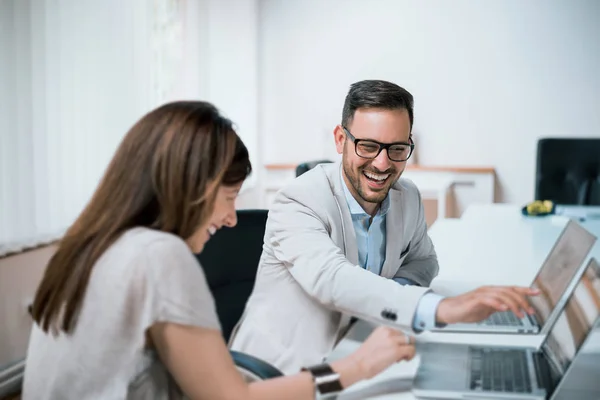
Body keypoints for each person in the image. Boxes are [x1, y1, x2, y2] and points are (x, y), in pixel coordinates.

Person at [22, 101, 417, 400]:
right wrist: (357, 366)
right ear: (190, 186)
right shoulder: (158, 256)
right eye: (229, 197)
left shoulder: (92, 244)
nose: (231, 219)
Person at [230, 80, 540, 374]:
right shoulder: (298, 201)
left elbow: (423, 261)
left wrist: (389, 301)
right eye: (367, 146)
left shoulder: (408, 197)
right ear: (341, 140)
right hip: (284, 371)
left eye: (396, 149)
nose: (382, 164)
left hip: (362, 352)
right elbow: (332, 279)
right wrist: (439, 309)